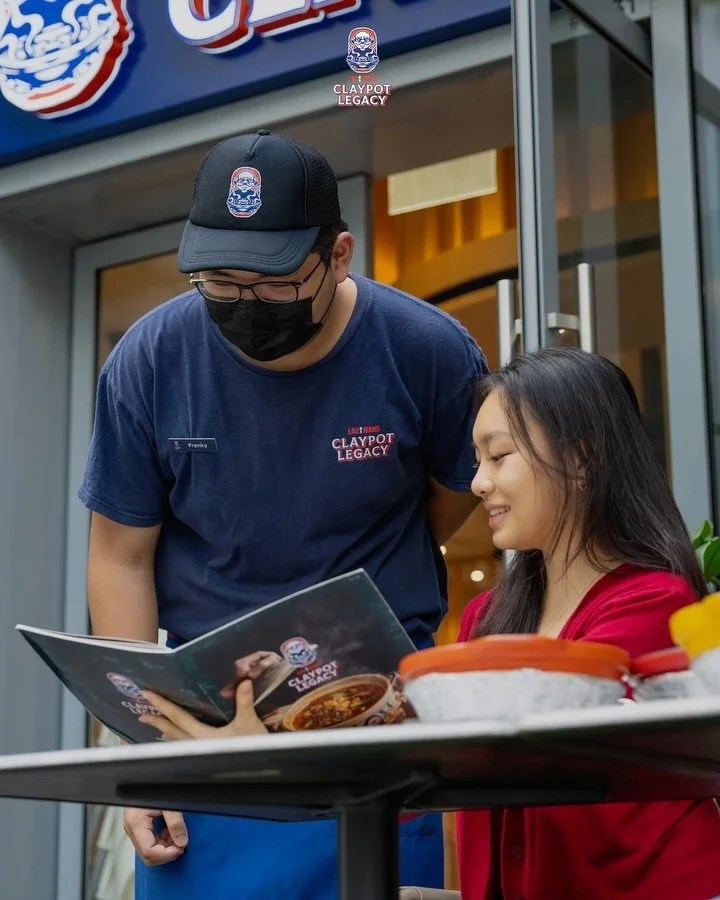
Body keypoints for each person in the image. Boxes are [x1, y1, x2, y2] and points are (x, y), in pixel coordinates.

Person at [141, 347, 720, 900]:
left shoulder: (652, 603)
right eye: (477, 460)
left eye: (499, 456)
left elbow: (519, 763)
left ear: (583, 458)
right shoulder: (487, 616)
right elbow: (416, 778)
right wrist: (270, 745)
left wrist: (282, 757)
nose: (479, 482)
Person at [79, 128, 487, 899]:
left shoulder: (425, 351)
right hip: (203, 722)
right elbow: (120, 556)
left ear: (339, 255)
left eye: (272, 284)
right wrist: (139, 752)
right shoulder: (150, 359)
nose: (245, 304)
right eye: (219, 282)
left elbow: (458, 496)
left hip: (377, 715)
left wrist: (366, 578)